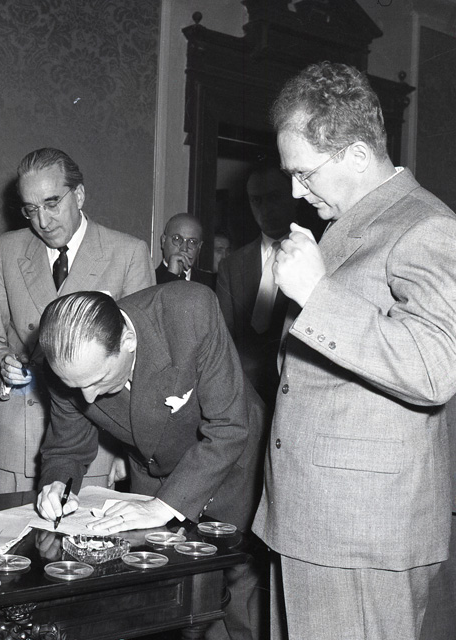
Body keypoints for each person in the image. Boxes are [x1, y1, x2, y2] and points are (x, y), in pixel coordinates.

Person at [251, 61, 456, 640]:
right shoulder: (350, 224)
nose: (296, 191)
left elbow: (436, 367)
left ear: (359, 156)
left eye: (305, 173)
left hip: (362, 532)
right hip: (312, 521)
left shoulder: (427, 226)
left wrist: (317, 292)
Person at [36, 284, 266, 640]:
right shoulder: (67, 365)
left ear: (129, 340)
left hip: (233, 468)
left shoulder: (189, 312)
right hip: (154, 473)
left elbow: (228, 427)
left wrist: (164, 505)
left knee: (237, 606)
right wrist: (57, 485)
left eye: (98, 381)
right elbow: (67, 448)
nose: (88, 398)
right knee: (166, 609)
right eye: (75, 386)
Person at [0, 147, 155, 494]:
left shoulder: (128, 253)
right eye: (31, 209)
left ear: (79, 195)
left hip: (95, 441)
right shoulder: (3, 251)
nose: (42, 221)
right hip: (18, 439)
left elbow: (141, 360)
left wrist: (127, 450)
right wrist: (1, 365)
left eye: (52, 203)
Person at [217, 161, 298, 407]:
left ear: (293, 197)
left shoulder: (314, 256)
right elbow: (224, 337)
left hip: (294, 393)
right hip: (244, 396)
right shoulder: (232, 265)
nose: (265, 208)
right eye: (256, 200)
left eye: (274, 197)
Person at [156, 213, 216, 289]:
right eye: (177, 239)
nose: (184, 248)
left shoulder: (212, 284)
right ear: (163, 241)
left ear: (199, 247)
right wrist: (171, 276)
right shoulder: (149, 281)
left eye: (192, 242)